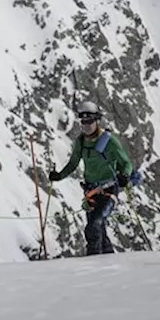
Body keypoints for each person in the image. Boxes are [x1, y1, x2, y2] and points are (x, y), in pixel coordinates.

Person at [48, 101, 135, 255]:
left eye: (89, 121)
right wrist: (59, 176)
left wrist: (125, 176)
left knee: (94, 226)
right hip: (91, 192)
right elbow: (73, 163)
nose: (86, 125)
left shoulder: (109, 141)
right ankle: (110, 263)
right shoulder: (81, 142)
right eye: (83, 122)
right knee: (99, 229)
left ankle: (93, 264)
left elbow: (126, 163)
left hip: (109, 190)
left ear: (97, 121)